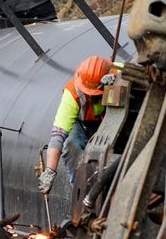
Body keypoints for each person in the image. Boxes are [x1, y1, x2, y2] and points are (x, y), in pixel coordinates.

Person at [38, 55, 117, 194]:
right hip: (81, 125)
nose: (91, 96)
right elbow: (57, 136)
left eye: (95, 93)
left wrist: (121, 83)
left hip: (111, 121)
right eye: (88, 93)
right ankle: (80, 192)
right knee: (71, 144)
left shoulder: (118, 72)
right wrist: (50, 171)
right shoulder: (72, 93)